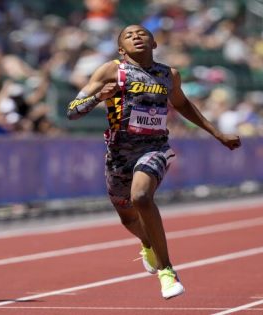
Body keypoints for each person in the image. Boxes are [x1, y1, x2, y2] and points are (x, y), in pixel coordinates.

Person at [67, 25, 241, 299]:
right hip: (118, 154)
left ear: (155, 43)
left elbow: (183, 105)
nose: (136, 36)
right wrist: (98, 98)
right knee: (127, 216)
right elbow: (72, 112)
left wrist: (216, 133)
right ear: (121, 49)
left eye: (142, 33)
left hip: (155, 148)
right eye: (128, 35)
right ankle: (147, 243)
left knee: (142, 197)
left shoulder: (169, 75)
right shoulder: (111, 71)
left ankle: (167, 270)